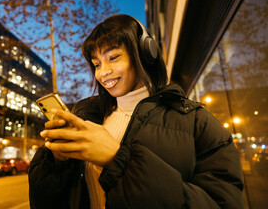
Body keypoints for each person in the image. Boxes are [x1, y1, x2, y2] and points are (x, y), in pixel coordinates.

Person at [28, 14, 244, 209]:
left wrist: (117, 160)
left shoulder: (198, 123)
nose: (103, 73)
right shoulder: (86, 117)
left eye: (113, 58)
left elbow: (221, 203)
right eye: (96, 64)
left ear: (144, 53)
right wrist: (56, 161)